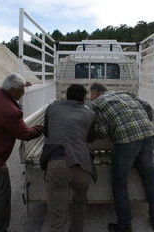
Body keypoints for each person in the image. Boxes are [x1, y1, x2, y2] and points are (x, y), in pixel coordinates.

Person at [90, 83, 154, 232]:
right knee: (149, 178)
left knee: (119, 182)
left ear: (95, 93)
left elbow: (102, 132)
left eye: (91, 94)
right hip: (148, 134)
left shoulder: (97, 103)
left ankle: (124, 225)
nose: (90, 97)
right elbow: (146, 106)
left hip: (126, 140)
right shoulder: (124, 93)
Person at [0, 74, 43, 232]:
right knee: (2, 190)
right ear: (13, 91)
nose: (24, 94)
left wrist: (24, 85)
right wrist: (42, 127)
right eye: (22, 91)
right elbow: (25, 134)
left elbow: (11, 85)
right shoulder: (10, 111)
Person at [42, 84, 96, 232]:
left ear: (67, 96)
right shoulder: (90, 114)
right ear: (84, 99)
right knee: (80, 203)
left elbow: (46, 132)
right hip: (82, 166)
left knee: (58, 213)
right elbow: (90, 138)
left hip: (57, 163)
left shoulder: (52, 108)